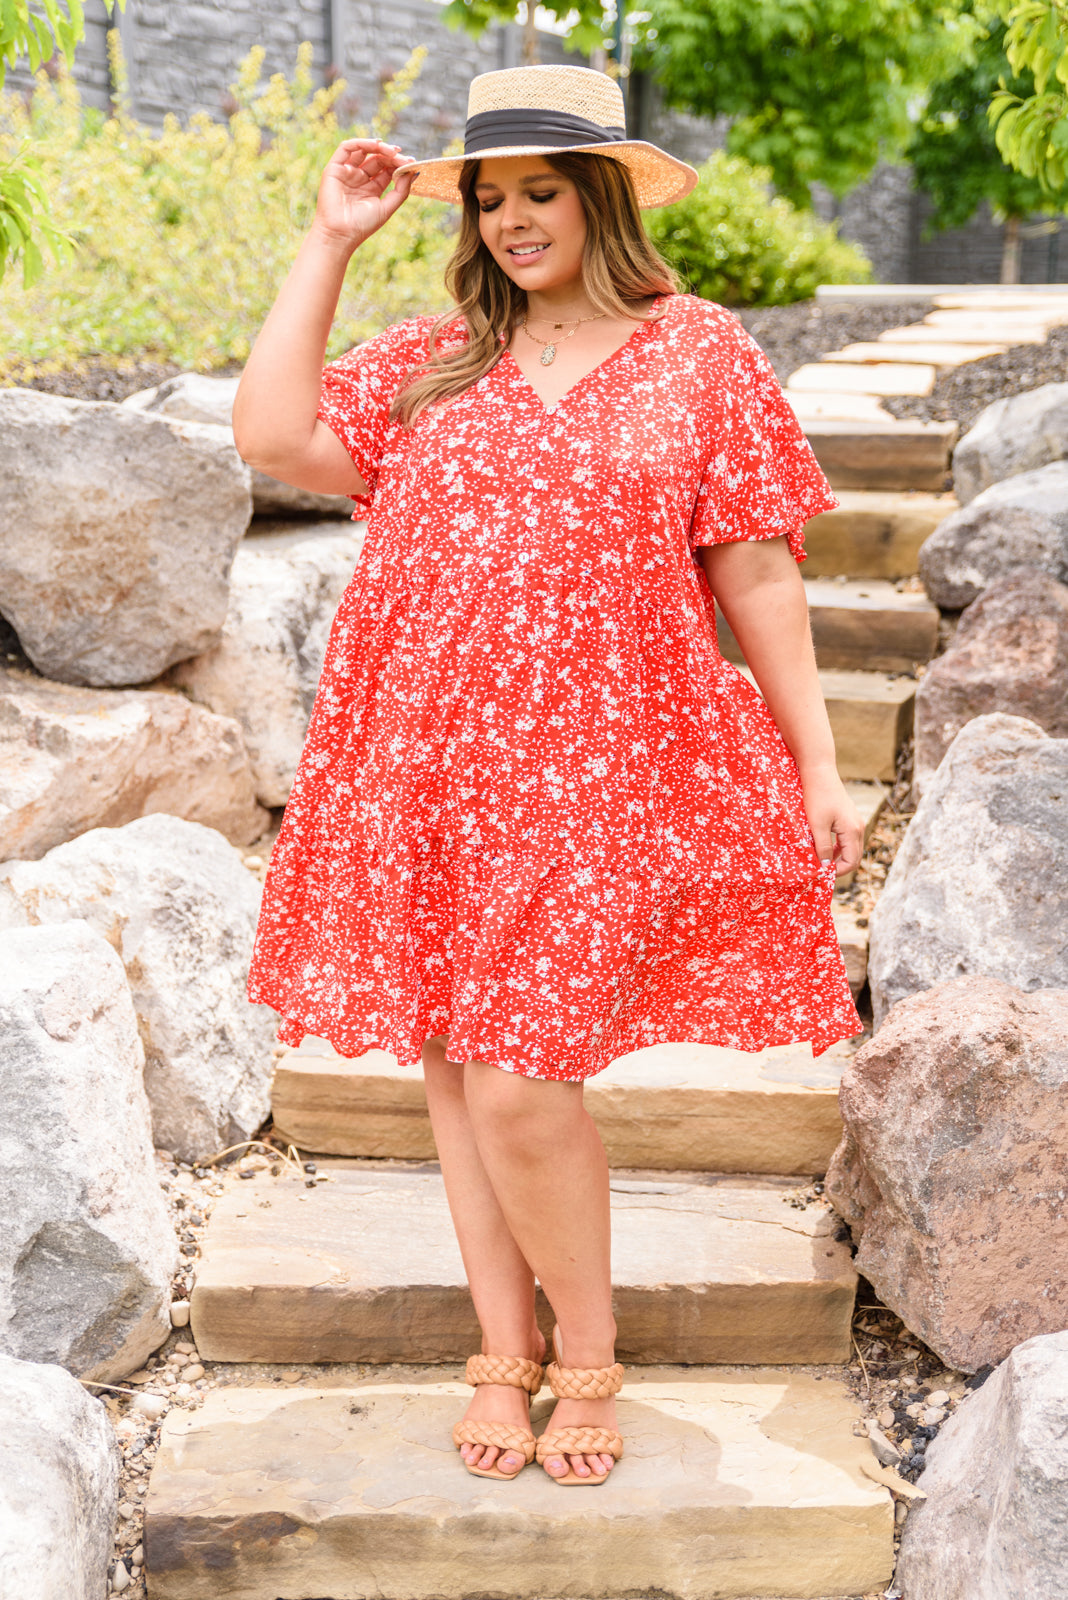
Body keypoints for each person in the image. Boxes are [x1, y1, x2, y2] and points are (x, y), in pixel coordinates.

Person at [233, 63, 864, 1489]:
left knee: (520, 1085)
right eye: (490, 199)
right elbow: (272, 437)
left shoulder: (699, 352)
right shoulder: (437, 357)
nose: (513, 221)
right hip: (430, 762)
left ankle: (588, 1352)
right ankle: (499, 1349)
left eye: (541, 193)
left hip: (605, 768)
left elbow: (758, 570)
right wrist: (331, 239)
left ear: (601, 199)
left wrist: (817, 760)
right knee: (459, 1078)